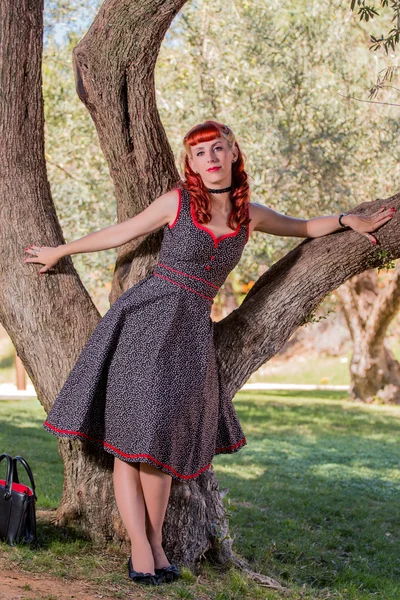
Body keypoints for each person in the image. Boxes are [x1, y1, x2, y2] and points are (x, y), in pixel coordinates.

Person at [23, 120, 394, 587]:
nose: (210, 159)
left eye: (217, 149)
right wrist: (61, 251)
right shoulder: (176, 202)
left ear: (233, 153)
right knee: (129, 443)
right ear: (191, 164)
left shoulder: (249, 216)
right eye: (200, 154)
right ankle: (142, 547)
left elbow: (302, 228)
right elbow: (120, 232)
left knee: (158, 449)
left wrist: (346, 220)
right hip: (144, 321)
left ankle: (155, 541)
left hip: (191, 333)